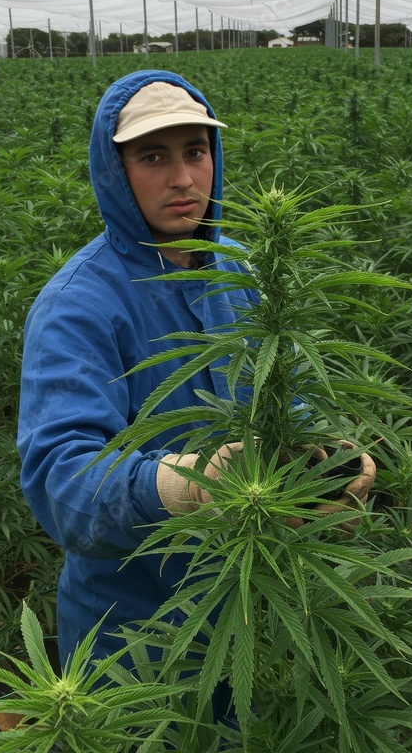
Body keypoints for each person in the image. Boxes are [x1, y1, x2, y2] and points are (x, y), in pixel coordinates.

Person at [17, 69, 255, 671]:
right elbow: (62, 482)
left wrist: (327, 457)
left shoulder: (241, 270)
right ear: (115, 171)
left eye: (195, 151)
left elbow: (286, 396)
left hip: (257, 605)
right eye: (153, 157)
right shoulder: (78, 304)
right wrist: (185, 486)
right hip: (139, 640)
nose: (183, 179)